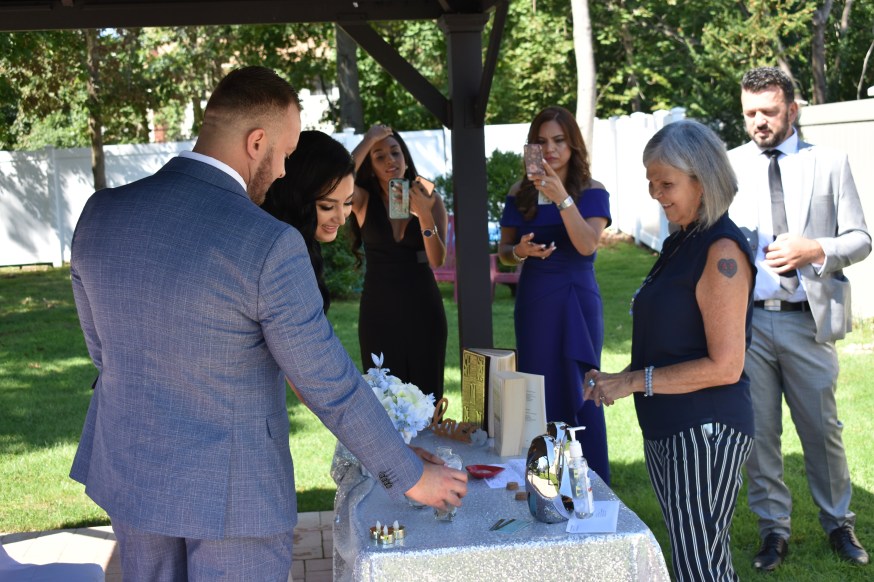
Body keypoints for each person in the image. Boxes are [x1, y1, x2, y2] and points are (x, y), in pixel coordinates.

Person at [68, 66, 467, 581]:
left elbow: (103, 352)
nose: (282, 172)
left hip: (130, 473)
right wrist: (410, 476)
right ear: (256, 142)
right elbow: (328, 384)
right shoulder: (269, 243)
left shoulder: (101, 213)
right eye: (283, 153)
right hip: (234, 496)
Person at [584, 120, 756, 582]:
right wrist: (619, 377)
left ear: (702, 180)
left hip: (704, 430)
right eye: (651, 183)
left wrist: (632, 381)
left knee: (701, 566)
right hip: (671, 426)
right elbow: (673, 343)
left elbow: (726, 366)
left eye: (666, 183)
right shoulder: (681, 240)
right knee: (691, 558)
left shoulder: (721, 250)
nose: (656, 194)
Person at [727, 66, 871, 570]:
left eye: (769, 111)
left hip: (806, 319)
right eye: (750, 113)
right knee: (759, 434)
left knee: (822, 430)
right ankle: (773, 531)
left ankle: (839, 523)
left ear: (792, 109)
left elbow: (861, 239)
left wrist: (816, 249)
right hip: (746, 324)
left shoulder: (829, 162)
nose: (759, 122)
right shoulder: (728, 166)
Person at [497, 106, 612, 484]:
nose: (551, 149)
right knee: (539, 390)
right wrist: (520, 252)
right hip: (536, 299)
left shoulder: (592, 191)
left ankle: (592, 482)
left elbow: (587, 245)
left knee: (583, 387)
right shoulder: (520, 193)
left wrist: (562, 197)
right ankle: (546, 482)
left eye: (559, 140)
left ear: (573, 144)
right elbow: (504, 252)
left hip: (578, 298)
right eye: (542, 141)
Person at [349, 125, 449, 400]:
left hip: (423, 307)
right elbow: (336, 180)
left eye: (395, 152)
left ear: (405, 157)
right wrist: (369, 138)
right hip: (379, 310)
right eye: (379, 156)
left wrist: (424, 215)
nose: (390, 160)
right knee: (383, 397)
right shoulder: (363, 199)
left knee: (427, 397)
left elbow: (437, 260)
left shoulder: (429, 195)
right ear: (370, 165)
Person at [262, 130, 355, 314]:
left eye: (348, 202)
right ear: (296, 200)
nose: (341, 218)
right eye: (327, 206)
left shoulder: (304, 243)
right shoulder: (281, 258)